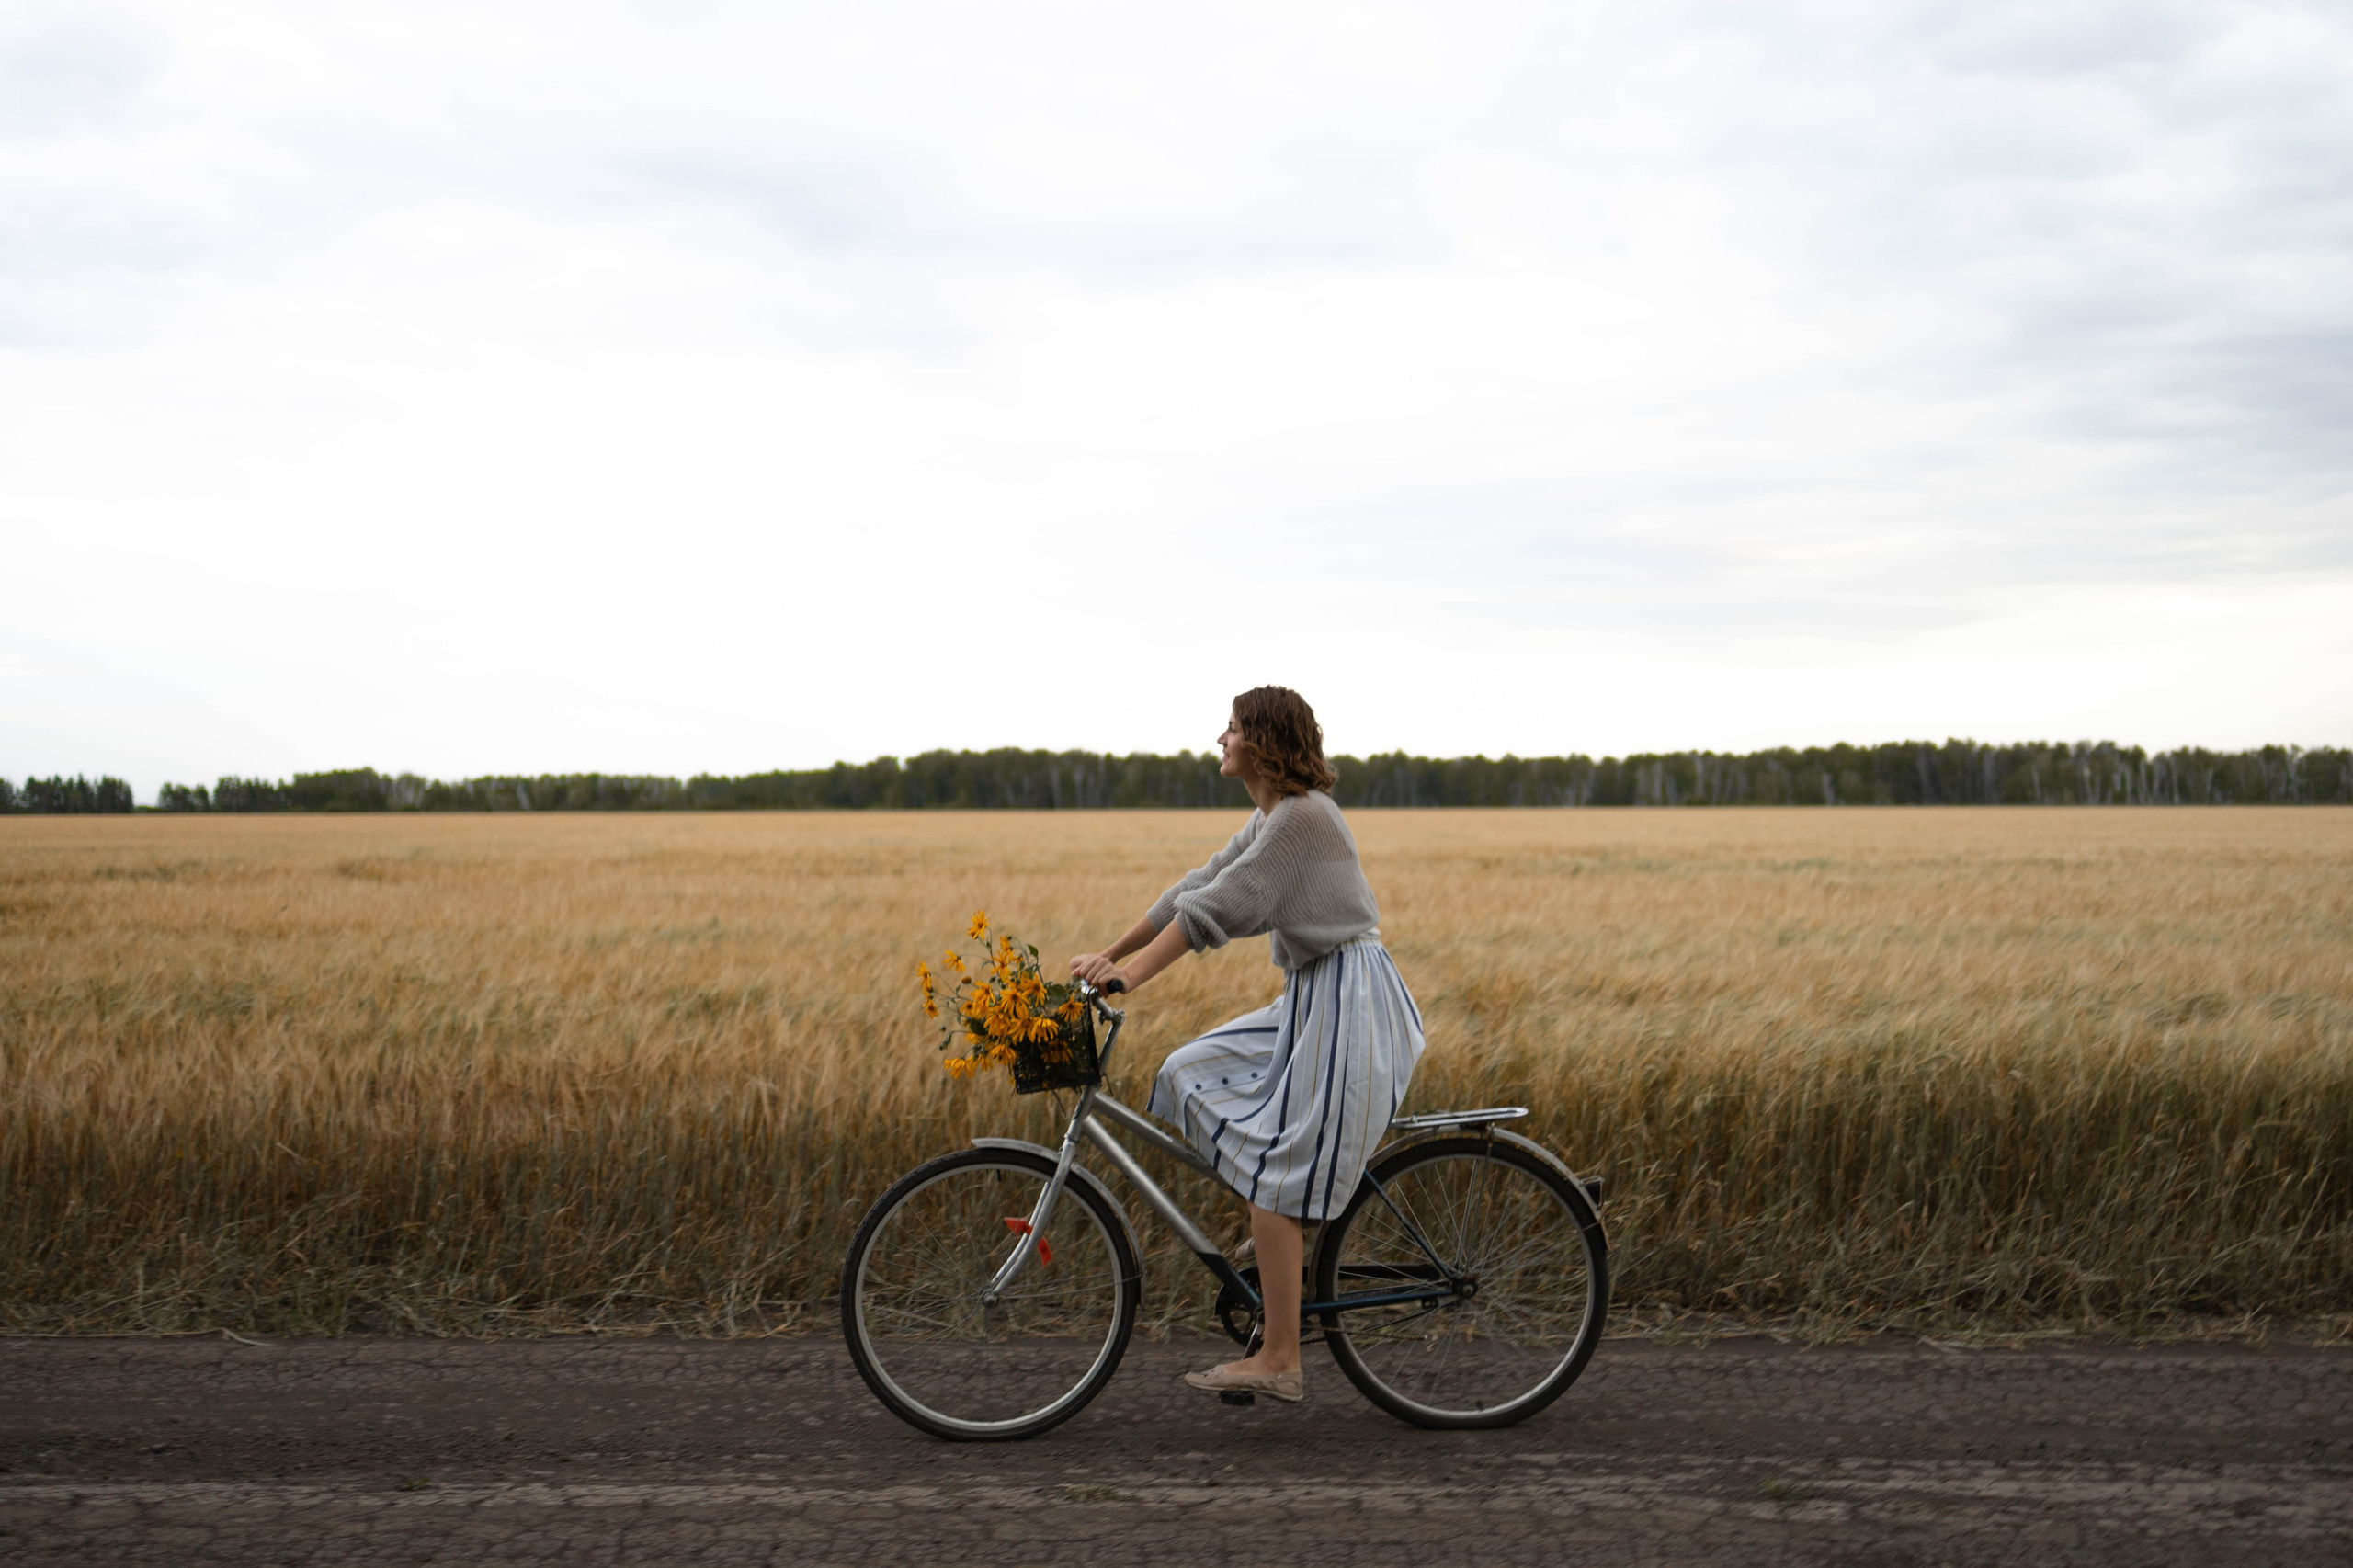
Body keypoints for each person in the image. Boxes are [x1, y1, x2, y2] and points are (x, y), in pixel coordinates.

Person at [1069, 686, 1426, 1403]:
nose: (1220, 738)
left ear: (1259, 742)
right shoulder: (1274, 816)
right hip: (1312, 993)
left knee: (1274, 1172)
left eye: (1230, 728)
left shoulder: (1302, 821)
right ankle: (1277, 1248)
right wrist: (1104, 956)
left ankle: (1281, 1358)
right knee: (1186, 1070)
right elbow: (1194, 889)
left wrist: (1130, 978)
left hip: (1347, 999)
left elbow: (1219, 911)